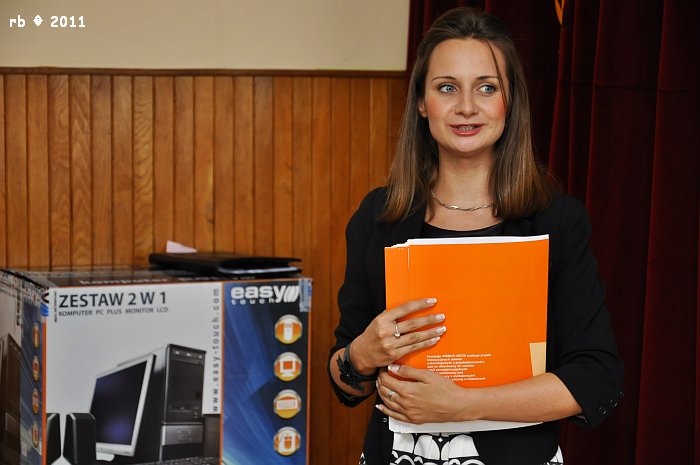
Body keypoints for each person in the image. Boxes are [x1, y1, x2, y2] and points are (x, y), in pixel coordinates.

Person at [327, 6, 624, 465]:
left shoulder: (556, 220)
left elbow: (596, 377)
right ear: (422, 102)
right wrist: (361, 354)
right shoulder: (379, 216)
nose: (467, 107)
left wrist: (464, 405)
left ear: (510, 101)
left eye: (487, 87)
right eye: (447, 87)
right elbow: (345, 382)